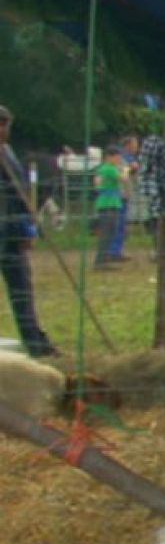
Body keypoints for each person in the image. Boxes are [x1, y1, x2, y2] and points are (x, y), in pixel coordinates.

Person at [0, 105, 57, 357]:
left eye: (6, 126)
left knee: (21, 290)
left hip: (11, 232)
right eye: (2, 126)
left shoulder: (7, 152)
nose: (5, 131)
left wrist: (27, 229)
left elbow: (20, 194)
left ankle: (35, 342)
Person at [91, 145, 125, 268]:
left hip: (105, 202)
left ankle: (103, 258)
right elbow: (123, 179)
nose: (119, 160)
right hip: (109, 203)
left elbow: (97, 184)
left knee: (108, 232)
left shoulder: (101, 169)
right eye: (117, 157)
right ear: (109, 157)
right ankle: (101, 261)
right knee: (108, 232)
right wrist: (126, 169)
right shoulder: (110, 169)